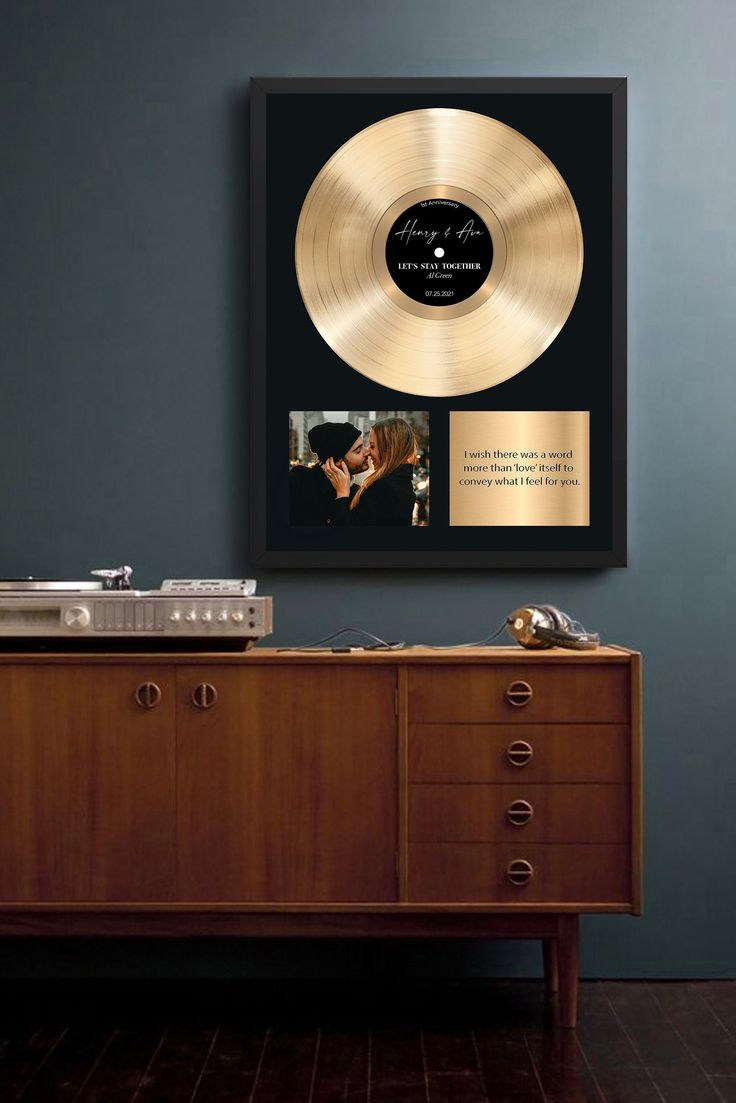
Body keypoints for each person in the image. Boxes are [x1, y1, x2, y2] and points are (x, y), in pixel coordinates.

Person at [323, 417, 417, 525]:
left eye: (372, 446)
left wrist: (342, 493)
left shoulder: (386, 488)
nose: (367, 452)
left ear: (388, 450)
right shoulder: (399, 483)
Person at [289, 421, 368, 525]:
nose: (367, 452)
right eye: (358, 450)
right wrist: (342, 496)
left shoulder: (359, 493)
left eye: (364, 446)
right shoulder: (298, 482)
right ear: (338, 462)